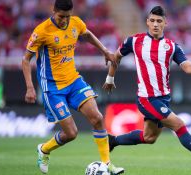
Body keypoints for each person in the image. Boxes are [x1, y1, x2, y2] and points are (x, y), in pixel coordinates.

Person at [103, 6, 191, 171]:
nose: (155, 24)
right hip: (147, 99)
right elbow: (116, 57)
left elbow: (187, 67)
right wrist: (110, 78)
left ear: (165, 23)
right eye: (152, 21)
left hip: (163, 99)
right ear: (147, 22)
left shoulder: (172, 47)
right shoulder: (134, 41)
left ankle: (112, 141)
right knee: (179, 125)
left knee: (149, 137)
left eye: (159, 21)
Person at [22, 0, 124, 174]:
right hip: (53, 88)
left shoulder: (75, 22)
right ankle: (44, 149)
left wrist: (105, 50)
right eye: (61, 17)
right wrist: (30, 87)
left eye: (67, 16)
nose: (65, 21)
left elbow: (88, 34)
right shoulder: (41, 31)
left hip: (73, 81)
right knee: (71, 133)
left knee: (98, 118)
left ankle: (107, 164)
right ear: (53, 11)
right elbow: (26, 60)